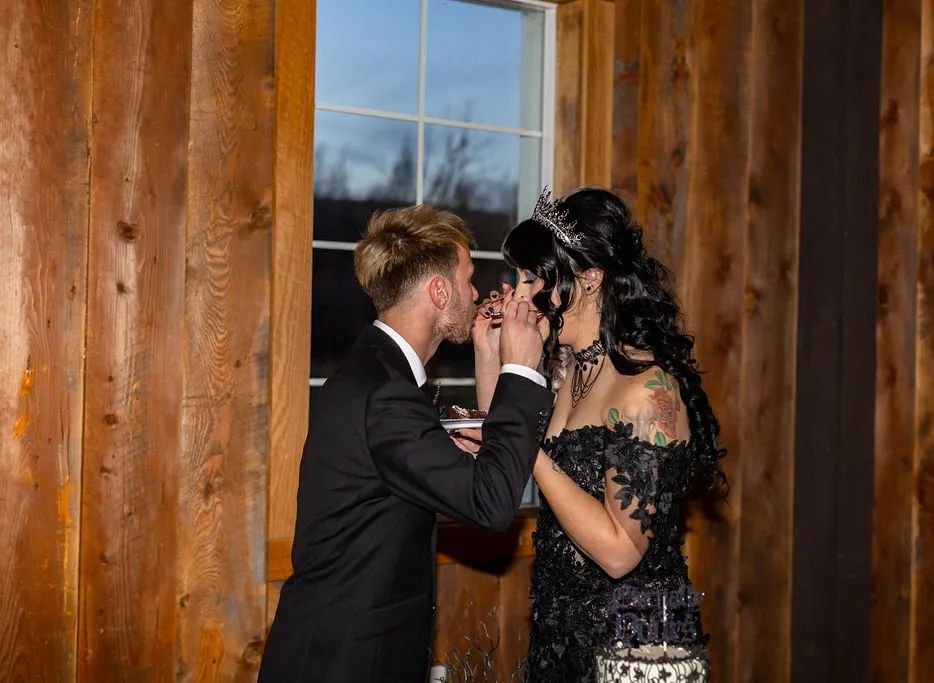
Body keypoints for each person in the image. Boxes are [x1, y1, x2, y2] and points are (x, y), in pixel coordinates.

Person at [258, 205, 553, 683]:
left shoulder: (378, 371)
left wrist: (487, 354)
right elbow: (492, 503)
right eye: (467, 279)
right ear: (439, 292)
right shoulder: (385, 393)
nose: (474, 293)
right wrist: (520, 369)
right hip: (341, 663)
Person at [477, 187, 727, 681]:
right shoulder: (568, 370)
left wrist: (529, 446)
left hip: (634, 641)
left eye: (532, 278)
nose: (519, 294)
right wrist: (492, 356)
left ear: (589, 278)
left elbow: (618, 553)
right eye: (517, 278)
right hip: (561, 625)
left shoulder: (645, 392)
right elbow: (503, 443)